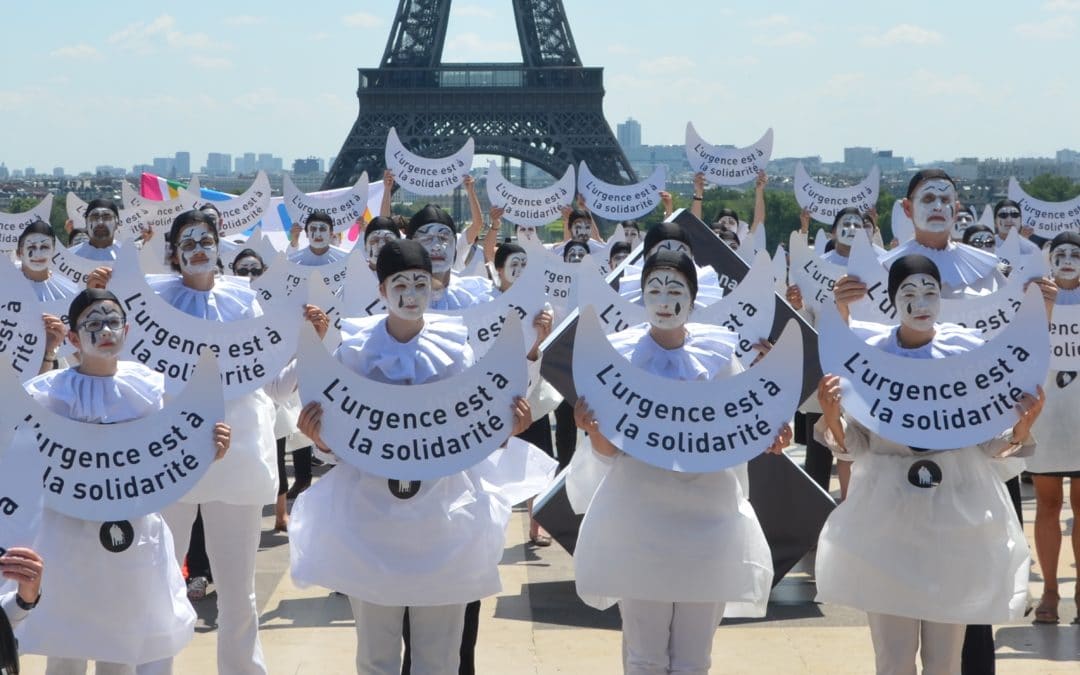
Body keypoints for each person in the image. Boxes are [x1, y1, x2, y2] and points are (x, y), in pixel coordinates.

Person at [291, 239, 534, 675]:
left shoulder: (457, 351)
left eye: (420, 282)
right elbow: (340, 442)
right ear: (382, 290)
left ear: (434, 285)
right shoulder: (352, 354)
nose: (410, 293)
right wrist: (322, 439)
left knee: (439, 658)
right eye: (399, 283)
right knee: (375, 657)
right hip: (370, 520)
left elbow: (471, 432)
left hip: (443, 520)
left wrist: (504, 429)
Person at [815, 254, 1043, 675]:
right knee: (894, 660)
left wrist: (1020, 427)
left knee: (945, 662)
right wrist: (831, 414)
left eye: (930, 292)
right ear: (892, 300)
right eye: (909, 293)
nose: (921, 302)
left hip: (954, 527)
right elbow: (853, 444)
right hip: (887, 525)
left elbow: (986, 444)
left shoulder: (968, 355)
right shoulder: (869, 358)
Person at [572, 250, 789, 675]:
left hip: (709, 521)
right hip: (639, 519)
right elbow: (608, 450)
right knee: (644, 656)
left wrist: (773, 437)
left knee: (693, 659)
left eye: (676, 289)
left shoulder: (720, 356)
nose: (664, 299)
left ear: (693, 297)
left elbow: (744, 425)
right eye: (654, 288)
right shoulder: (615, 359)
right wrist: (593, 429)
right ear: (640, 295)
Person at [17, 288, 231, 675]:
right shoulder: (48, 393)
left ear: (127, 329)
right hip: (67, 533)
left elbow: (164, 451)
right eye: (93, 324)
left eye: (113, 321)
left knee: (122, 642)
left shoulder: (146, 386)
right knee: (66, 647)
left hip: (131, 533)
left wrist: (206, 451)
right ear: (73, 338)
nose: (105, 330)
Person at [1027, 231, 1080, 625]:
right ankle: (1049, 589)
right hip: (1046, 414)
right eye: (1059, 253)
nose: (1066, 260)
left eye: (1074, 253)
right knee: (1047, 506)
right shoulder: (1033, 299)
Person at [14, 220, 77, 374]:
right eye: (31, 247)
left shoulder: (69, 291)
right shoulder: (5, 283)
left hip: (52, 367)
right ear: (19, 252)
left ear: (54, 252)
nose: (38, 254)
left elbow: (75, 344)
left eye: (44, 247)